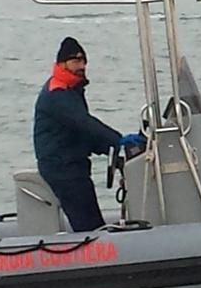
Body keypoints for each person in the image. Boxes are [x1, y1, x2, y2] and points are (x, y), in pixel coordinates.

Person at [33, 36, 144, 231]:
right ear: (61, 63)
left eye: (84, 60)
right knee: (89, 225)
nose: (82, 65)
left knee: (91, 219)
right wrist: (118, 140)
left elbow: (82, 134)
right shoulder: (57, 93)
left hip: (73, 165)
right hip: (63, 169)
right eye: (76, 60)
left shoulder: (71, 90)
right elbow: (84, 124)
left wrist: (113, 149)